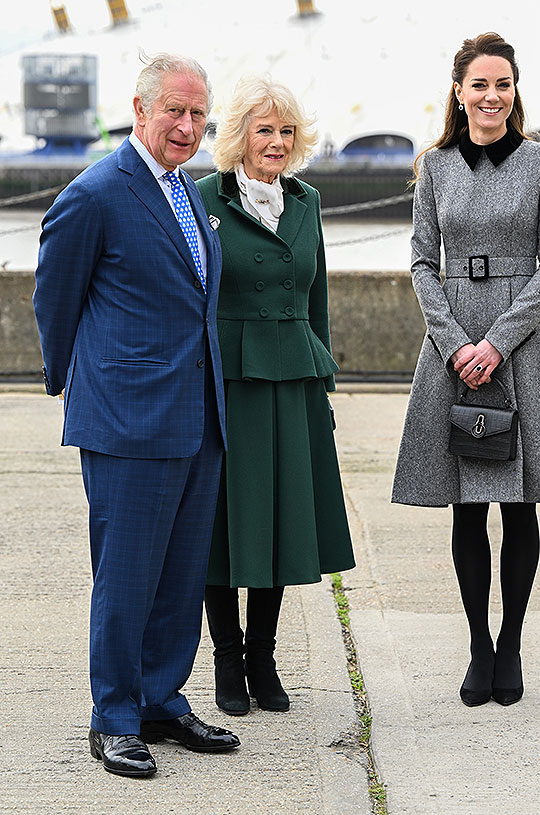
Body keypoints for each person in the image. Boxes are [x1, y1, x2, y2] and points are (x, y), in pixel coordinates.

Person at [32, 53, 240, 778]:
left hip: (197, 415)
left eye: (197, 115)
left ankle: (160, 697)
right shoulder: (96, 193)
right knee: (125, 578)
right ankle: (114, 715)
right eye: (174, 112)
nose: (187, 127)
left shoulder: (187, 190)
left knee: (182, 575)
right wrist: (72, 382)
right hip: (127, 421)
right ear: (140, 109)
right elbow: (54, 300)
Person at [391, 33, 540, 708]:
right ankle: (477, 645)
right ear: (459, 92)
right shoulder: (437, 166)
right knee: (467, 504)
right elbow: (424, 263)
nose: (491, 96)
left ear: (515, 91)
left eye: (502, 84)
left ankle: (511, 644)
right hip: (453, 344)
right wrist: (456, 344)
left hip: (524, 343)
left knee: (519, 505)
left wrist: (497, 343)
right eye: (479, 85)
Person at [196, 76, 355, 716]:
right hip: (228, 382)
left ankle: (263, 655)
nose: (277, 142)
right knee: (224, 523)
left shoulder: (307, 201)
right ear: (238, 137)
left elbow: (316, 302)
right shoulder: (199, 196)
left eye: (286, 131)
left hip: (294, 381)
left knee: (283, 520)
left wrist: (325, 382)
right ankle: (227, 660)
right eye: (265, 129)